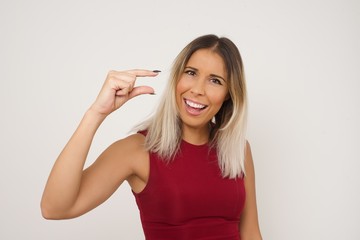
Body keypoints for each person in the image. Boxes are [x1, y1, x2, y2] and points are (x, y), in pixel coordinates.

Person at [41, 34, 262, 240]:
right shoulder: (137, 150)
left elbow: (251, 232)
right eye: (191, 73)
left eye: (215, 80)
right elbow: (55, 208)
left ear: (229, 95)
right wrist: (96, 113)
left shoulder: (238, 150)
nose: (197, 90)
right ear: (176, 78)